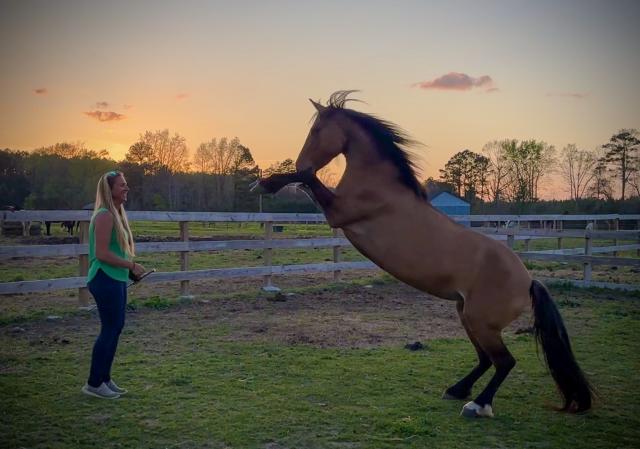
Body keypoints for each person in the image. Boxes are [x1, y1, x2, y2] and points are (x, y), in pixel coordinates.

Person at [82, 170, 145, 399]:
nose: (126, 188)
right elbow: (101, 254)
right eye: (122, 185)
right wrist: (130, 266)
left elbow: (114, 251)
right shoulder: (105, 215)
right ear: (110, 190)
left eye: (126, 184)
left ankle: (104, 379)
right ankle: (94, 383)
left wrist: (129, 273)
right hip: (104, 278)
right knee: (110, 329)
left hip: (115, 278)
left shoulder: (116, 214)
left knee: (114, 328)